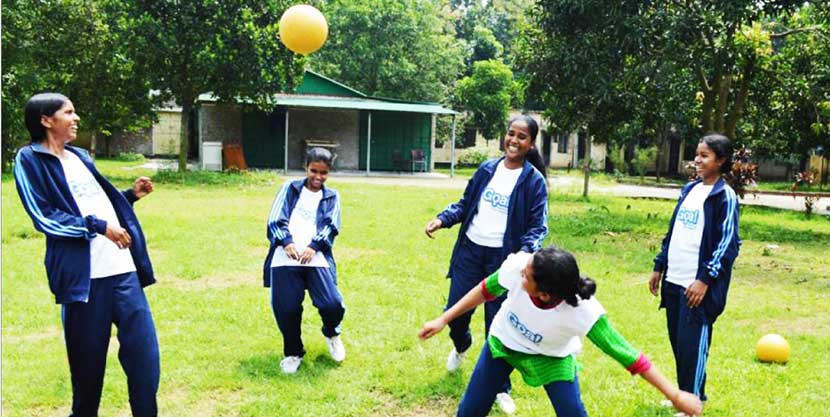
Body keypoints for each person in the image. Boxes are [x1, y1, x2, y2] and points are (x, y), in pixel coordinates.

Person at [419, 246, 703, 417]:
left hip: (552, 358)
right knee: (469, 412)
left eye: (527, 277)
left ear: (544, 294)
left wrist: (676, 395)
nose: (521, 273)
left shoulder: (583, 311)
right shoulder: (521, 265)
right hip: (503, 345)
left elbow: (627, 354)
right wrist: (444, 319)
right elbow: (485, 290)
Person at [13, 93, 160, 417]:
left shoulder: (79, 156)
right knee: (87, 375)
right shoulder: (29, 159)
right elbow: (45, 216)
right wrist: (99, 227)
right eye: (69, 112)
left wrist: (130, 196)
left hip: (123, 272)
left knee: (145, 363)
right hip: (84, 283)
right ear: (46, 120)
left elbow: (95, 204)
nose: (76, 118)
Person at [424, 115, 548, 413]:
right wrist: (442, 219)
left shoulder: (533, 181)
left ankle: (501, 387)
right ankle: (461, 345)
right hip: (470, 252)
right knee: (455, 314)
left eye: (521, 137)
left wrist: (524, 255)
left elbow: (537, 227)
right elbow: (466, 204)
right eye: (511, 134)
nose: (514, 141)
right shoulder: (487, 169)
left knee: (499, 325)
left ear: (531, 144)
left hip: (503, 260)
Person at [648, 133, 740, 411]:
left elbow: (727, 245)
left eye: (704, 156)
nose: (697, 160)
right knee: (679, 342)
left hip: (696, 286)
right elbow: (674, 231)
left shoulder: (725, 196)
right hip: (674, 280)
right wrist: (659, 266)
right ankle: (684, 396)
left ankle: (693, 403)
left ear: (721, 160)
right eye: (696, 154)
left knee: (693, 345)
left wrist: (704, 280)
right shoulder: (690, 190)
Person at [263, 147, 345, 374]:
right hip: (285, 258)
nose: (318, 177)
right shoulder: (288, 189)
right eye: (314, 171)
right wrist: (286, 241)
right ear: (305, 167)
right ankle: (293, 353)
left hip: (315, 258)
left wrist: (314, 246)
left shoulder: (332, 196)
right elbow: (275, 219)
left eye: (324, 173)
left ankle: (332, 333)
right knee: (286, 308)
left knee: (332, 304)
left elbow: (331, 225)